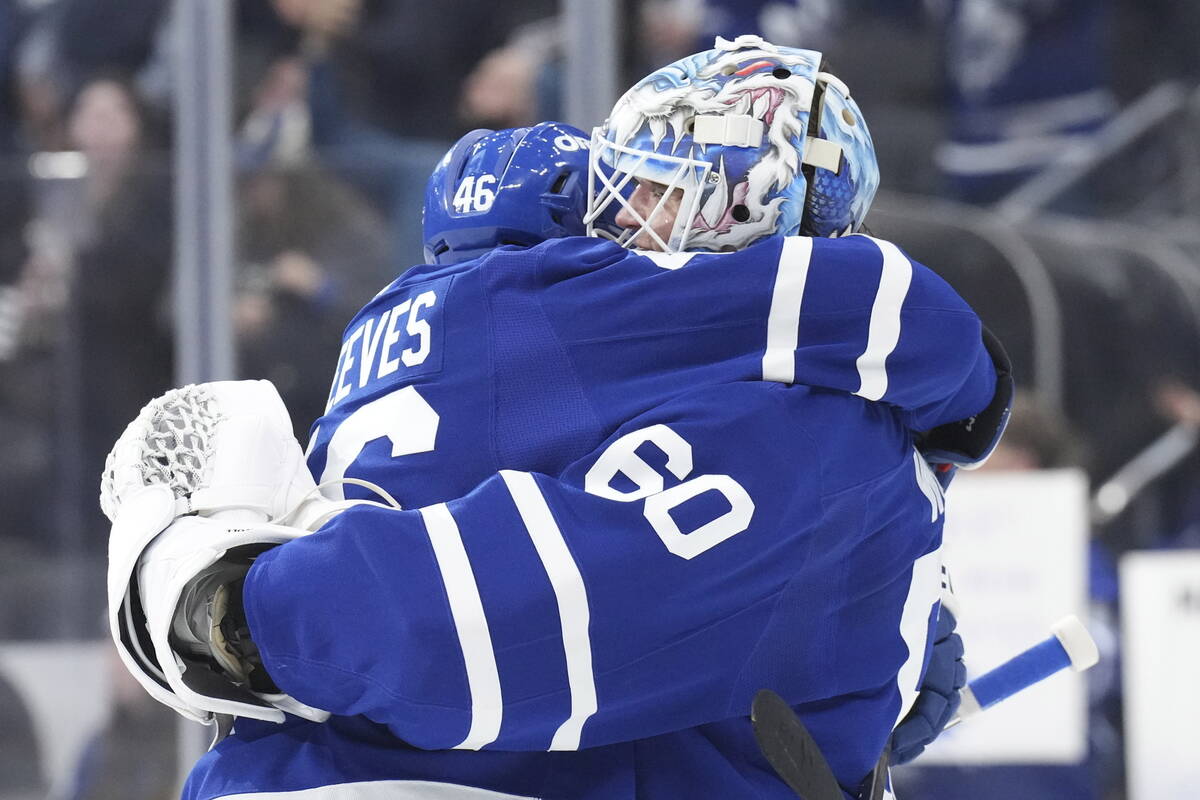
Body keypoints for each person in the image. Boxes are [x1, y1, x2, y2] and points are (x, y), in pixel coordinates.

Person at [105, 37, 1008, 799]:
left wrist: (228, 601)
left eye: (661, 189)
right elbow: (517, 623)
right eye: (625, 186)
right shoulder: (811, 420)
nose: (625, 222)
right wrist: (246, 612)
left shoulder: (417, 318)